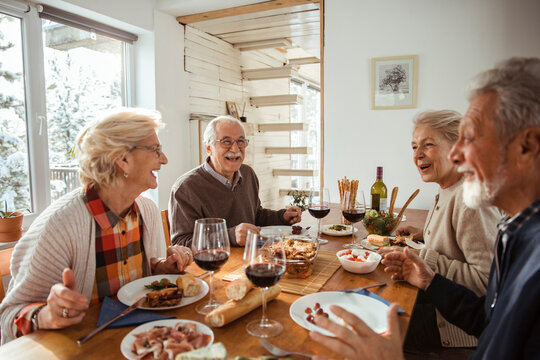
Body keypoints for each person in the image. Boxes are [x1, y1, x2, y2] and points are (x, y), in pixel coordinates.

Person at [310, 57, 540, 359]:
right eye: (414, 146)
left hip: (448, 330)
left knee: (340, 324)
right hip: (449, 307)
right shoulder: (515, 231)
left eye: (468, 138)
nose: (459, 154)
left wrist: (424, 257)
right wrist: (427, 273)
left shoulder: (478, 207)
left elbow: (485, 292)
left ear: (527, 146)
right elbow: (492, 322)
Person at [0, 109, 193, 344]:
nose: (164, 159)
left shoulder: (147, 210)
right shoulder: (59, 226)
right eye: (155, 150)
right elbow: (8, 315)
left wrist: (164, 268)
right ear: (122, 159)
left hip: (136, 341)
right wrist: (46, 315)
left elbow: (141, 285)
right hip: (81, 349)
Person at [378, 110, 501, 353]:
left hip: (453, 332)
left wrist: (424, 259)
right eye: (414, 147)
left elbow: (488, 284)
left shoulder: (470, 201)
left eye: (428, 144)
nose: (417, 155)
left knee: (377, 329)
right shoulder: (448, 188)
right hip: (438, 308)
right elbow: (457, 241)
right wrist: (424, 232)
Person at [169, 115, 302, 247]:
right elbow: (181, 243)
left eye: (240, 141)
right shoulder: (186, 188)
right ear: (208, 147)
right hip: (214, 266)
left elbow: (255, 215)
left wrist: (282, 217)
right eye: (226, 141)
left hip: (250, 259)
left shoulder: (248, 173)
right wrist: (230, 236)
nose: (235, 149)